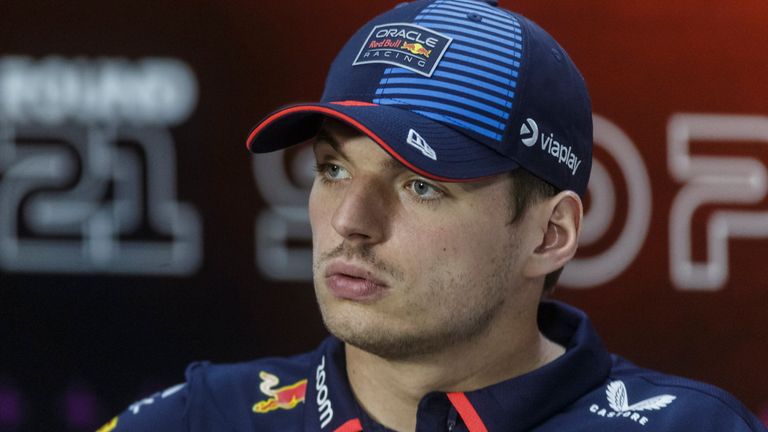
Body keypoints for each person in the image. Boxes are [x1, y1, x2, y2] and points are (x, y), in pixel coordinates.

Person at [98, 0, 766, 431]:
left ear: (550, 233)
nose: (351, 221)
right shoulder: (201, 419)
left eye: (420, 184)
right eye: (333, 170)